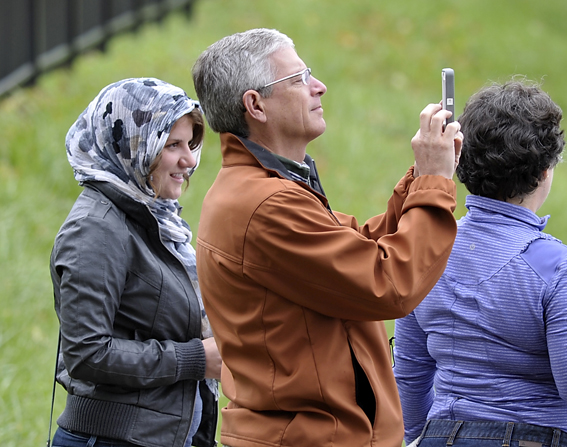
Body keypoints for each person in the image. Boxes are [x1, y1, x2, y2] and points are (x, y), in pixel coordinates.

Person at [191, 28, 463, 447]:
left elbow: (356, 246)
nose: (319, 86)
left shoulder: (261, 189)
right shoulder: (265, 204)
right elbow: (388, 283)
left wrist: (421, 175)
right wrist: (433, 180)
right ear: (255, 105)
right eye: (299, 79)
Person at [393, 80, 567, 447]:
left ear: (460, 161)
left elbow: (410, 376)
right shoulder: (557, 266)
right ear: (544, 173)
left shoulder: (423, 250)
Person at [50, 78, 221, 447]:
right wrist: (196, 359)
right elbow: (87, 354)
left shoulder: (155, 220)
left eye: (190, 143)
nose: (189, 160)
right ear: (132, 144)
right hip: (110, 437)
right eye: (172, 144)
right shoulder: (96, 230)